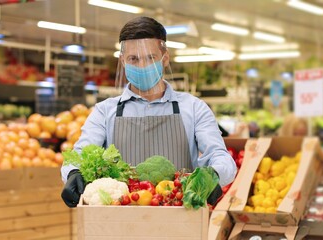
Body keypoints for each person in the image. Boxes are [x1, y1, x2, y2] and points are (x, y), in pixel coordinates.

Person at [61, 16, 237, 208]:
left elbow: (220, 156)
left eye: (150, 58)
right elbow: (80, 155)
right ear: (122, 61)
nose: (142, 66)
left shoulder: (194, 108)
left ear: (165, 58)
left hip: (180, 219)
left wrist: (214, 175)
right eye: (133, 59)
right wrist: (73, 173)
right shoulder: (104, 112)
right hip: (119, 223)